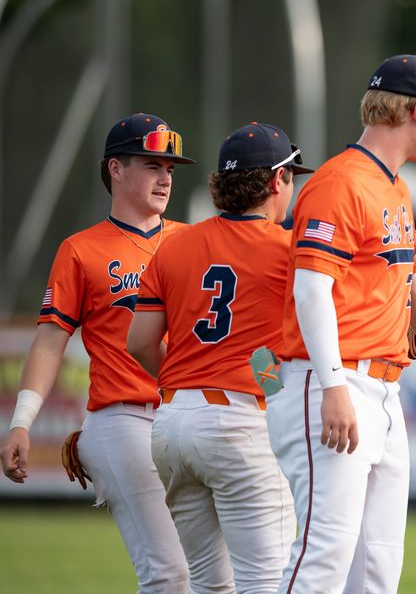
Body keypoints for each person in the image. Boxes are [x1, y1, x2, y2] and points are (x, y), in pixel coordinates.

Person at [268, 53, 416, 594]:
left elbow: (405, 284)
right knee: (322, 560)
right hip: (332, 382)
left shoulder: (397, 188)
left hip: (382, 388)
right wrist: (333, 386)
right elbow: (311, 289)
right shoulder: (340, 182)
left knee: (377, 569)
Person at [0, 113, 194, 592]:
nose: (165, 177)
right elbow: (51, 340)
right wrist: (21, 422)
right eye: (151, 165)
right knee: (169, 574)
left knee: (216, 573)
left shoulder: (193, 240)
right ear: (115, 170)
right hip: (124, 419)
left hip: (190, 417)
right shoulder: (80, 250)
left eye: (170, 167)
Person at [127, 123, 311, 593]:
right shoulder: (288, 250)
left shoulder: (174, 243)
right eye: (290, 176)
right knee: (266, 585)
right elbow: (279, 350)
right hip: (238, 424)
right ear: (275, 182)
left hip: (171, 424)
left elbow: (140, 344)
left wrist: (190, 386)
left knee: (210, 587)